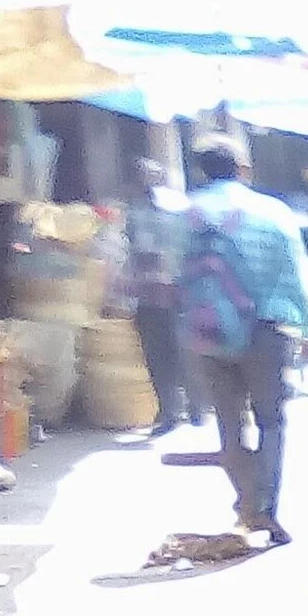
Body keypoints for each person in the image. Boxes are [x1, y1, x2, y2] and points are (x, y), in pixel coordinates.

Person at [183, 138, 308, 545]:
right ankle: (264, 507)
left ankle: (245, 498)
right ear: (243, 168)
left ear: (202, 171)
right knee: (272, 421)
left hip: (208, 334)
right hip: (265, 330)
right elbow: (295, 273)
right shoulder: (273, 213)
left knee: (228, 423)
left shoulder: (187, 215)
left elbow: (174, 273)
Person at [120, 159, 204, 434]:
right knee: (185, 350)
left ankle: (169, 412)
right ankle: (196, 407)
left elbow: (144, 252)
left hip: (154, 294)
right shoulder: (183, 207)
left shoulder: (140, 212)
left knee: (158, 355)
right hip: (185, 291)